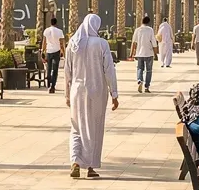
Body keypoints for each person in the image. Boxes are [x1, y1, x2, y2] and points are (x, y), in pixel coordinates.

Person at [64, 13, 118, 179]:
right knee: (93, 128)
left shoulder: (73, 43)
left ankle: (75, 161)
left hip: (77, 91)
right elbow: (109, 70)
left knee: (77, 127)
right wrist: (114, 93)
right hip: (96, 92)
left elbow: (67, 72)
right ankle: (89, 166)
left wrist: (67, 94)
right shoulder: (101, 44)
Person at [131, 13, 158, 93]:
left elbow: (134, 42)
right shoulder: (150, 30)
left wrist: (131, 53)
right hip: (149, 53)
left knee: (140, 68)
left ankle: (139, 80)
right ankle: (147, 87)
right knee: (149, 70)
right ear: (148, 22)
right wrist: (156, 54)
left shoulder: (137, 30)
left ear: (141, 22)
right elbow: (154, 43)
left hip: (139, 53)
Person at [41, 14, 65, 93]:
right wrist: (63, 52)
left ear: (50, 23)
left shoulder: (46, 31)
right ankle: (53, 86)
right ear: (56, 23)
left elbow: (44, 42)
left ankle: (49, 84)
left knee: (48, 68)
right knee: (55, 70)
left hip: (48, 51)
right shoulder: (59, 31)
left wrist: (42, 51)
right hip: (56, 51)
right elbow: (61, 43)